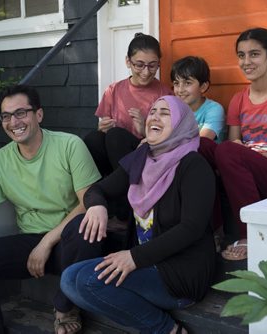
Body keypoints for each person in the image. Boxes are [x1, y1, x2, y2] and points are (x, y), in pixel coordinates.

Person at [61, 96, 216, 334]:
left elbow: (191, 228)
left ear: (181, 124)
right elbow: (97, 190)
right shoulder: (143, 157)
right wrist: (96, 206)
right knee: (69, 279)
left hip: (181, 273)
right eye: (153, 111)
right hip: (146, 262)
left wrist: (135, 257)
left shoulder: (193, 166)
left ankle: (166, 329)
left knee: (88, 282)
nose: (154, 116)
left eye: (165, 113)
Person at [0, 85, 103, 334]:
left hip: (70, 243)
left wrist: (46, 242)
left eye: (21, 113)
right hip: (30, 243)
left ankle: (65, 308)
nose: (13, 122)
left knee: (85, 227)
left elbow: (87, 202)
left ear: (39, 115)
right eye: (6, 116)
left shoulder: (69, 145)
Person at [201, 27, 267, 261]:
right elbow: (234, 144)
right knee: (201, 147)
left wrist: (244, 151)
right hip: (246, 171)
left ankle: (250, 234)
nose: (246, 61)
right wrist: (240, 150)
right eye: (241, 55)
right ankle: (212, 229)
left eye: (254, 54)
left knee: (227, 149)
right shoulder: (238, 100)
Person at [84, 32, 172, 177]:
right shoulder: (113, 90)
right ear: (128, 61)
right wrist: (102, 128)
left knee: (115, 135)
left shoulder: (165, 94)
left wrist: (145, 129)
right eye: (139, 65)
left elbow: (168, 138)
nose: (146, 72)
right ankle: (106, 184)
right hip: (115, 156)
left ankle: (126, 188)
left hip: (146, 151)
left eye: (152, 66)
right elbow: (102, 129)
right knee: (93, 138)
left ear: (158, 63)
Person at [171, 56, 225, 143]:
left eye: (187, 83)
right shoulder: (173, 110)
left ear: (203, 87)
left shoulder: (214, 109)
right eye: (176, 83)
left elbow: (201, 141)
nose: (180, 90)